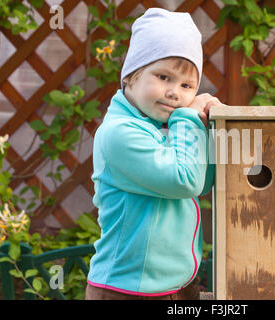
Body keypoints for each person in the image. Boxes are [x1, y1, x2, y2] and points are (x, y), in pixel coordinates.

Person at [85, 8, 222, 300]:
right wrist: (187, 117)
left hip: (177, 285)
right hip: (127, 290)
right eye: (163, 77)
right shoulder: (119, 134)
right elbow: (183, 181)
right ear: (131, 76)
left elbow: (204, 181)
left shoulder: (165, 126)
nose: (174, 92)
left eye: (187, 85)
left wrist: (208, 126)